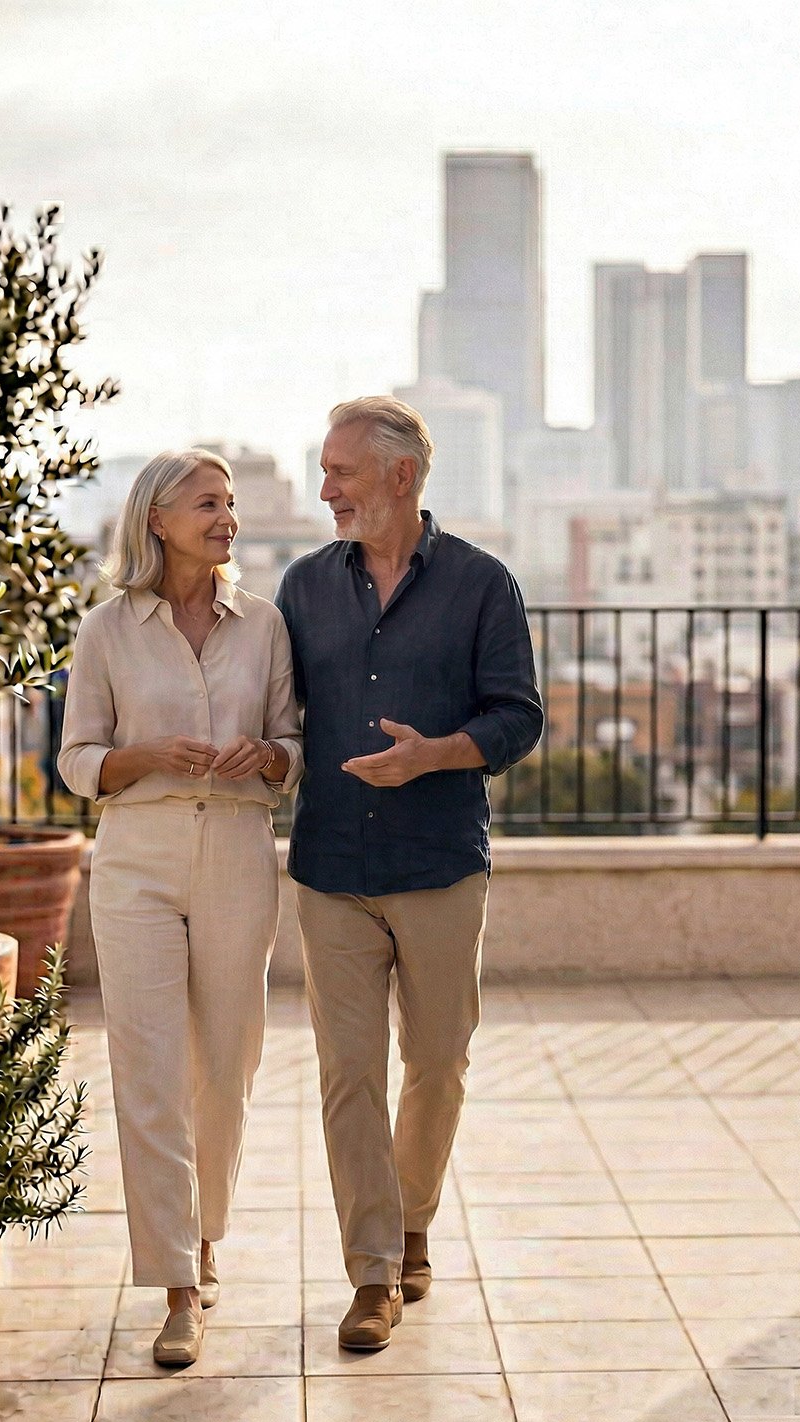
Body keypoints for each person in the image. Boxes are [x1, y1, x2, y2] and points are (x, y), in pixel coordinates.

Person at [276, 397, 543, 1350]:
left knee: (437, 1061)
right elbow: (275, 712)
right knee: (349, 1073)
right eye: (323, 468)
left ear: (400, 476)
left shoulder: (483, 584)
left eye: (341, 470)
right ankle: (375, 1271)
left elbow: (520, 716)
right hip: (330, 866)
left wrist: (434, 753)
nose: (325, 488)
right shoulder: (303, 587)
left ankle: (413, 1217)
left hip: (437, 865)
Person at [58, 448, 302, 1367]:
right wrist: (146, 754)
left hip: (237, 853)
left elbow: (291, 743)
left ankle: (206, 1242)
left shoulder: (265, 625)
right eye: (208, 502)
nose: (226, 516)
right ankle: (175, 1286)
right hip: (138, 860)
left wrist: (269, 759)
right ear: (156, 519)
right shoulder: (106, 631)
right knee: (150, 1067)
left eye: (230, 503)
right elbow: (79, 762)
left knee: (226, 1062)